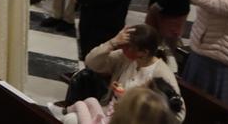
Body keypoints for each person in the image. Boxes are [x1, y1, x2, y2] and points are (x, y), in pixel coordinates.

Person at [50, 25, 183, 124]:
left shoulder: (162, 74)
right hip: (109, 112)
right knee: (72, 117)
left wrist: (136, 105)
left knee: (72, 119)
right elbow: (91, 62)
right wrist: (113, 42)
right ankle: (62, 112)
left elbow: (178, 115)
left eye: (128, 46)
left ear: (144, 52)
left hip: (130, 120)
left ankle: (62, 112)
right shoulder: (126, 58)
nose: (122, 48)